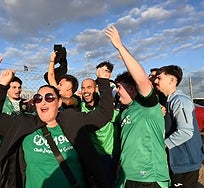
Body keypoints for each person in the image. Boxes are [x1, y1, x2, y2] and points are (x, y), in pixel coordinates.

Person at [0, 66, 114, 188]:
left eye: (49, 97)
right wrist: (1, 85)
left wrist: (103, 81)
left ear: (59, 103)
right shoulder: (24, 123)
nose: (43, 101)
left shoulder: (72, 120)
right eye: (38, 98)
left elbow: (104, 114)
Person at [105, 25, 170, 187]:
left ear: (132, 89)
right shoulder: (125, 111)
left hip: (148, 179)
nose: (117, 92)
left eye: (119, 88)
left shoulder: (146, 105)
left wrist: (120, 46)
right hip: (127, 178)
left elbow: (141, 79)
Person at [154, 65, 204, 188]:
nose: (156, 81)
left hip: (185, 163)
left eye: (159, 78)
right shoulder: (168, 101)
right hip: (178, 161)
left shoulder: (179, 100)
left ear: (172, 80)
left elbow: (185, 132)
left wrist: (162, 145)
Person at [80, 68, 121, 186]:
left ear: (96, 89)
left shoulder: (106, 108)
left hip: (109, 156)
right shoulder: (80, 107)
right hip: (91, 157)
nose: (85, 91)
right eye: (83, 88)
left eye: (89, 87)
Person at [0, 53, 26, 149]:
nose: (17, 90)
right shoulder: (2, 101)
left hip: (22, 145)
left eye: (19, 87)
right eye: (14, 87)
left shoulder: (25, 103)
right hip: (4, 144)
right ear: (7, 88)